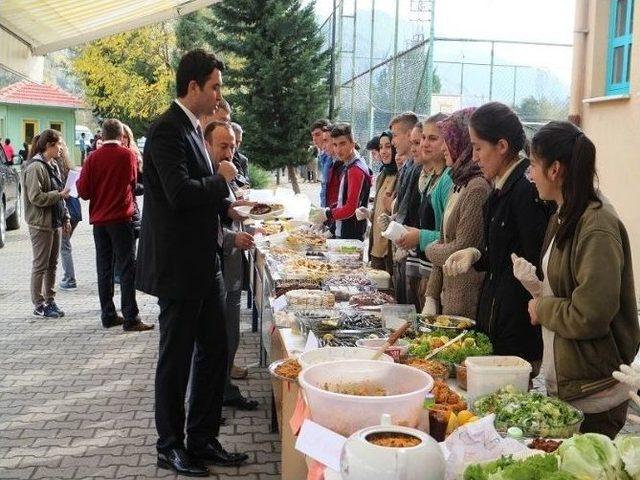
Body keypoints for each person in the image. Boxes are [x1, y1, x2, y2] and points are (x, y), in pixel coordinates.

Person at [136, 49, 248, 476]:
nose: (219, 93)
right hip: (180, 269)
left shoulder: (193, 129)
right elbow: (180, 194)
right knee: (176, 357)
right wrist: (220, 180)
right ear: (194, 86)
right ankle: (170, 444)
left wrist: (227, 204)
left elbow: (197, 195)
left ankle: (202, 437)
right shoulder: (166, 130)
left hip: (205, 265)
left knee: (215, 351)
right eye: (215, 85)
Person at [514, 121, 640, 438]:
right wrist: (537, 288)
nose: (530, 175)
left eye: (533, 165)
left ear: (555, 169)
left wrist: (542, 308)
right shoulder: (566, 213)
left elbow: (591, 314)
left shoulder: (597, 225)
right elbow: (567, 289)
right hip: (570, 386)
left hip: (595, 396)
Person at [442, 102, 550, 367]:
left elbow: (531, 261)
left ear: (501, 146)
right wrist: (476, 255)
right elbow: (501, 255)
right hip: (495, 319)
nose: (474, 156)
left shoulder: (525, 191)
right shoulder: (499, 188)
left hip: (517, 328)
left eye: (478, 148)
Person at [204, 120, 260, 411]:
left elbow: (227, 210)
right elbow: (204, 224)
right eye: (223, 146)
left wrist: (243, 210)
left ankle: (223, 386)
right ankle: (217, 393)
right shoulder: (208, 175)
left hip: (233, 263)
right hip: (218, 264)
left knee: (231, 329)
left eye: (232, 146)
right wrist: (231, 238)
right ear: (207, 144)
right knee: (219, 333)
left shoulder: (226, 171)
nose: (229, 152)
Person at [77, 119, 152, 332]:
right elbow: (132, 182)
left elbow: (83, 192)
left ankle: (108, 314)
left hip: (100, 222)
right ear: (121, 136)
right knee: (127, 268)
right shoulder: (127, 155)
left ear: (101, 136)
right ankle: (131, 317)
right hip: (121, 219)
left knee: (104, 269)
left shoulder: (92, 158)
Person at [423, 108, 491, 318]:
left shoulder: (477, 187)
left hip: (465, 299)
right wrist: (430, 297)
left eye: (447, 140)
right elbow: (445, 241)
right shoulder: (457, 183)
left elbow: (461, 247)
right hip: (447, 294)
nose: (444, 147)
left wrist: (429, 249)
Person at [397, 114, 452, 311]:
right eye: (424, 139)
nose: (424, 145)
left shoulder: (448, 181)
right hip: (422, 268)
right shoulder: (431, 179)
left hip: (437, 276)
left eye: (432, 138)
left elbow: (449, 237)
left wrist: (419, 237)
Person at [23, 129, 71, 318]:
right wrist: (57, 195)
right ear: (49, 145)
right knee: (40, 265)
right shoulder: (35, 167)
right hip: (40, 224)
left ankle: (50, 301)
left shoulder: (53, 165)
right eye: (59, 144)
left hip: (55, 221)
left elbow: (61, 193)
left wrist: (66, 217)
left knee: (53, 264)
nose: (61, 148)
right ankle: (39, 304)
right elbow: (35, 197)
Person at [311, 123, 371, 240]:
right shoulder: (349, 165)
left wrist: (327, 214)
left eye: (342, 144)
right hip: (343, 231)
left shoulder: (355, 169)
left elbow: (351, 208)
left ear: (353, 143)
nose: (338, 149)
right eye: (335, 144)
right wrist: (327, 215)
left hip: (350, 235)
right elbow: (341, 201)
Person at [384, 112, 420, 304]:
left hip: (413, 248)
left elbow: (410, 208)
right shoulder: (407, 166)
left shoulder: (417, 168)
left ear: (409, 134)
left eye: (396, 136)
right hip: (402, 241)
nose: (393, 141)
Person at [357, 130, 396, 275]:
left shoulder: (401, 175)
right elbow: (380, 212)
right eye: (381, 147)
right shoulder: (383, 174)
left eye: (388, 146)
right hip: (376, 249)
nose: (384, 151)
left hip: (389, 252)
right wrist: (368, 213)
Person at [54, 141, 82, 290]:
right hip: (76, 210)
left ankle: (70, 279)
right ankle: (67, 276)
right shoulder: (70, 168)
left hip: (67, 212)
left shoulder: (55, 168)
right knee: (64, 244)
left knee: (64, 246)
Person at [310, 119, 332, 206]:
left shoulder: (334, 158)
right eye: (313, 135)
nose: (314, 139)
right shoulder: (324, 156)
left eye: (317, 134)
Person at [230, 122, 250, 191]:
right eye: (235, 141)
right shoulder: (217, 155)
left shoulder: (242, 160)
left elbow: (246, 185)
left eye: (239, 142)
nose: (236, 145)